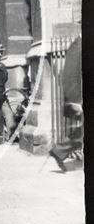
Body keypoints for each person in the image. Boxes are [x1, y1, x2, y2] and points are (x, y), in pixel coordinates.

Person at [49, 36, 82, 172]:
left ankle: (59, 151)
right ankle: (59, 151)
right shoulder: (77, 47)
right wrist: (76, 101)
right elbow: (68, 77)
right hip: (78, 99)